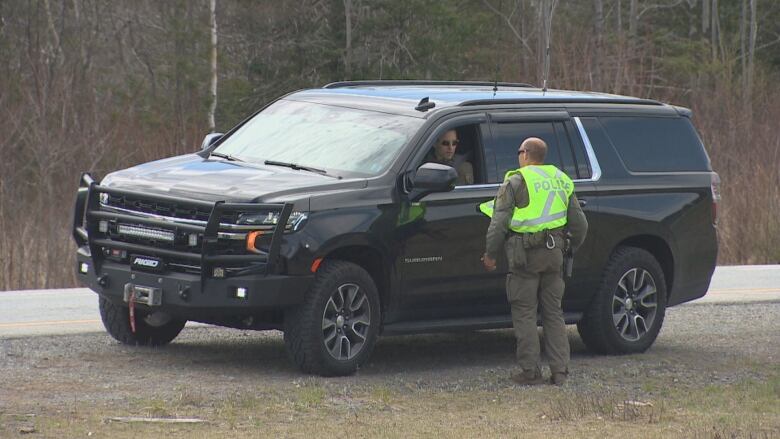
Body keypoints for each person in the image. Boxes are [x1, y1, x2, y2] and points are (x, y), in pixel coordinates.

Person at [480, 137, 588, 386]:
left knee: (525, 312)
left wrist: (490, 254)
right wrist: (570, 246)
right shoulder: (561, 179)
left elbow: (498, 224)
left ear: (526, 154)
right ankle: (560, 372)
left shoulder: (516, 181)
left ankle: (530, 371)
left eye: (519, 151)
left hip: (524, 256)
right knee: (553, 313)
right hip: (554, 254)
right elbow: (580, 225)